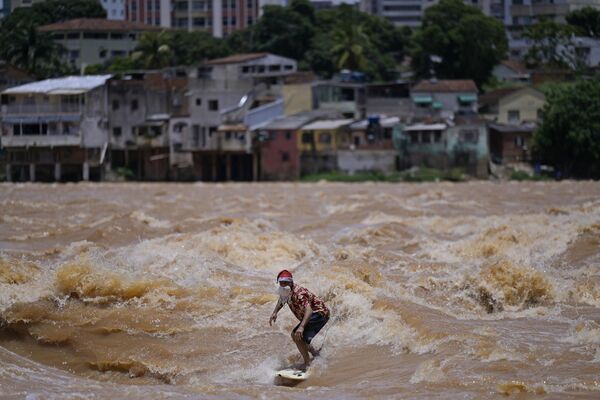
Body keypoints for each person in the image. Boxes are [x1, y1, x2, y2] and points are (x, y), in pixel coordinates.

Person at [269, 269, 330, 370]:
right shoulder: (286, 290)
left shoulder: (299, 294)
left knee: (296, 334)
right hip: (313, 315)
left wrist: (301, 327)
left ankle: (308, 363)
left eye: (285, 283)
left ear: (291, 282)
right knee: (298, 337)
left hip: (320, 314)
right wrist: (275, 312)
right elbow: (282, 299)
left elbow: (309, 310)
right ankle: (315, 354)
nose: (283, 285)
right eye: (281, 283)